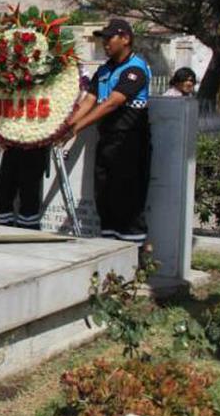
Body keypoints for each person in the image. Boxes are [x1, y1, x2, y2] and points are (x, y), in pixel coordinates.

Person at [62, 18, 152, 250]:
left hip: (130, 144)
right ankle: (110, 256)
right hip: (107, 143)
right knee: (105, 199)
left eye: (109, 38)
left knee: (128, 202)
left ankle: (136, 261)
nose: (105, 43)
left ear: (126, 39)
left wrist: (76, 129)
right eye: (103, 38)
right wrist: (64, 128)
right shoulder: (103, 71)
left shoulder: (135, 69)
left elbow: (112, 103)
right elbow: (89, 101)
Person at [0, 143, 49, 230]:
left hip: (34, 147)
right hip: (6, 146)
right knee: (2, 199)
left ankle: (28, 237)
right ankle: (0, 235)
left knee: (29, 203)